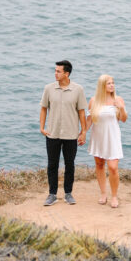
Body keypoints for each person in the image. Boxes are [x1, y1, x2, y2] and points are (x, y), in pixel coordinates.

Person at [39, 59, 87, 206]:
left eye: (58, 71)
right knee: (52, 165)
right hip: (52, 133)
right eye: (55, 71)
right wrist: (42, 127)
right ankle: (52, 194)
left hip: (71, 134)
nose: (55, 73)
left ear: (67, 73)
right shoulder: (48, 88)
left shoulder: (78, 89)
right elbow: (43, 108)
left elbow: (81, 112)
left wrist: (83, 131)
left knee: (69, 165)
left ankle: (68, 193)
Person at [87, 74, 127, 208]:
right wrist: (82, 134)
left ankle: (114, 196)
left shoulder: (118, 99)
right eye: (109, 83)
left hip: (112, 137)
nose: (112, 85)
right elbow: (90, 120)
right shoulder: (94, 101)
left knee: (113, 167)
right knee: (99, 164)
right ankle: (103, 193)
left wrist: (120, 108)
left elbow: (123, 119)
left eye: (113, 83)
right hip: (98, 137)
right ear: (102, 85)